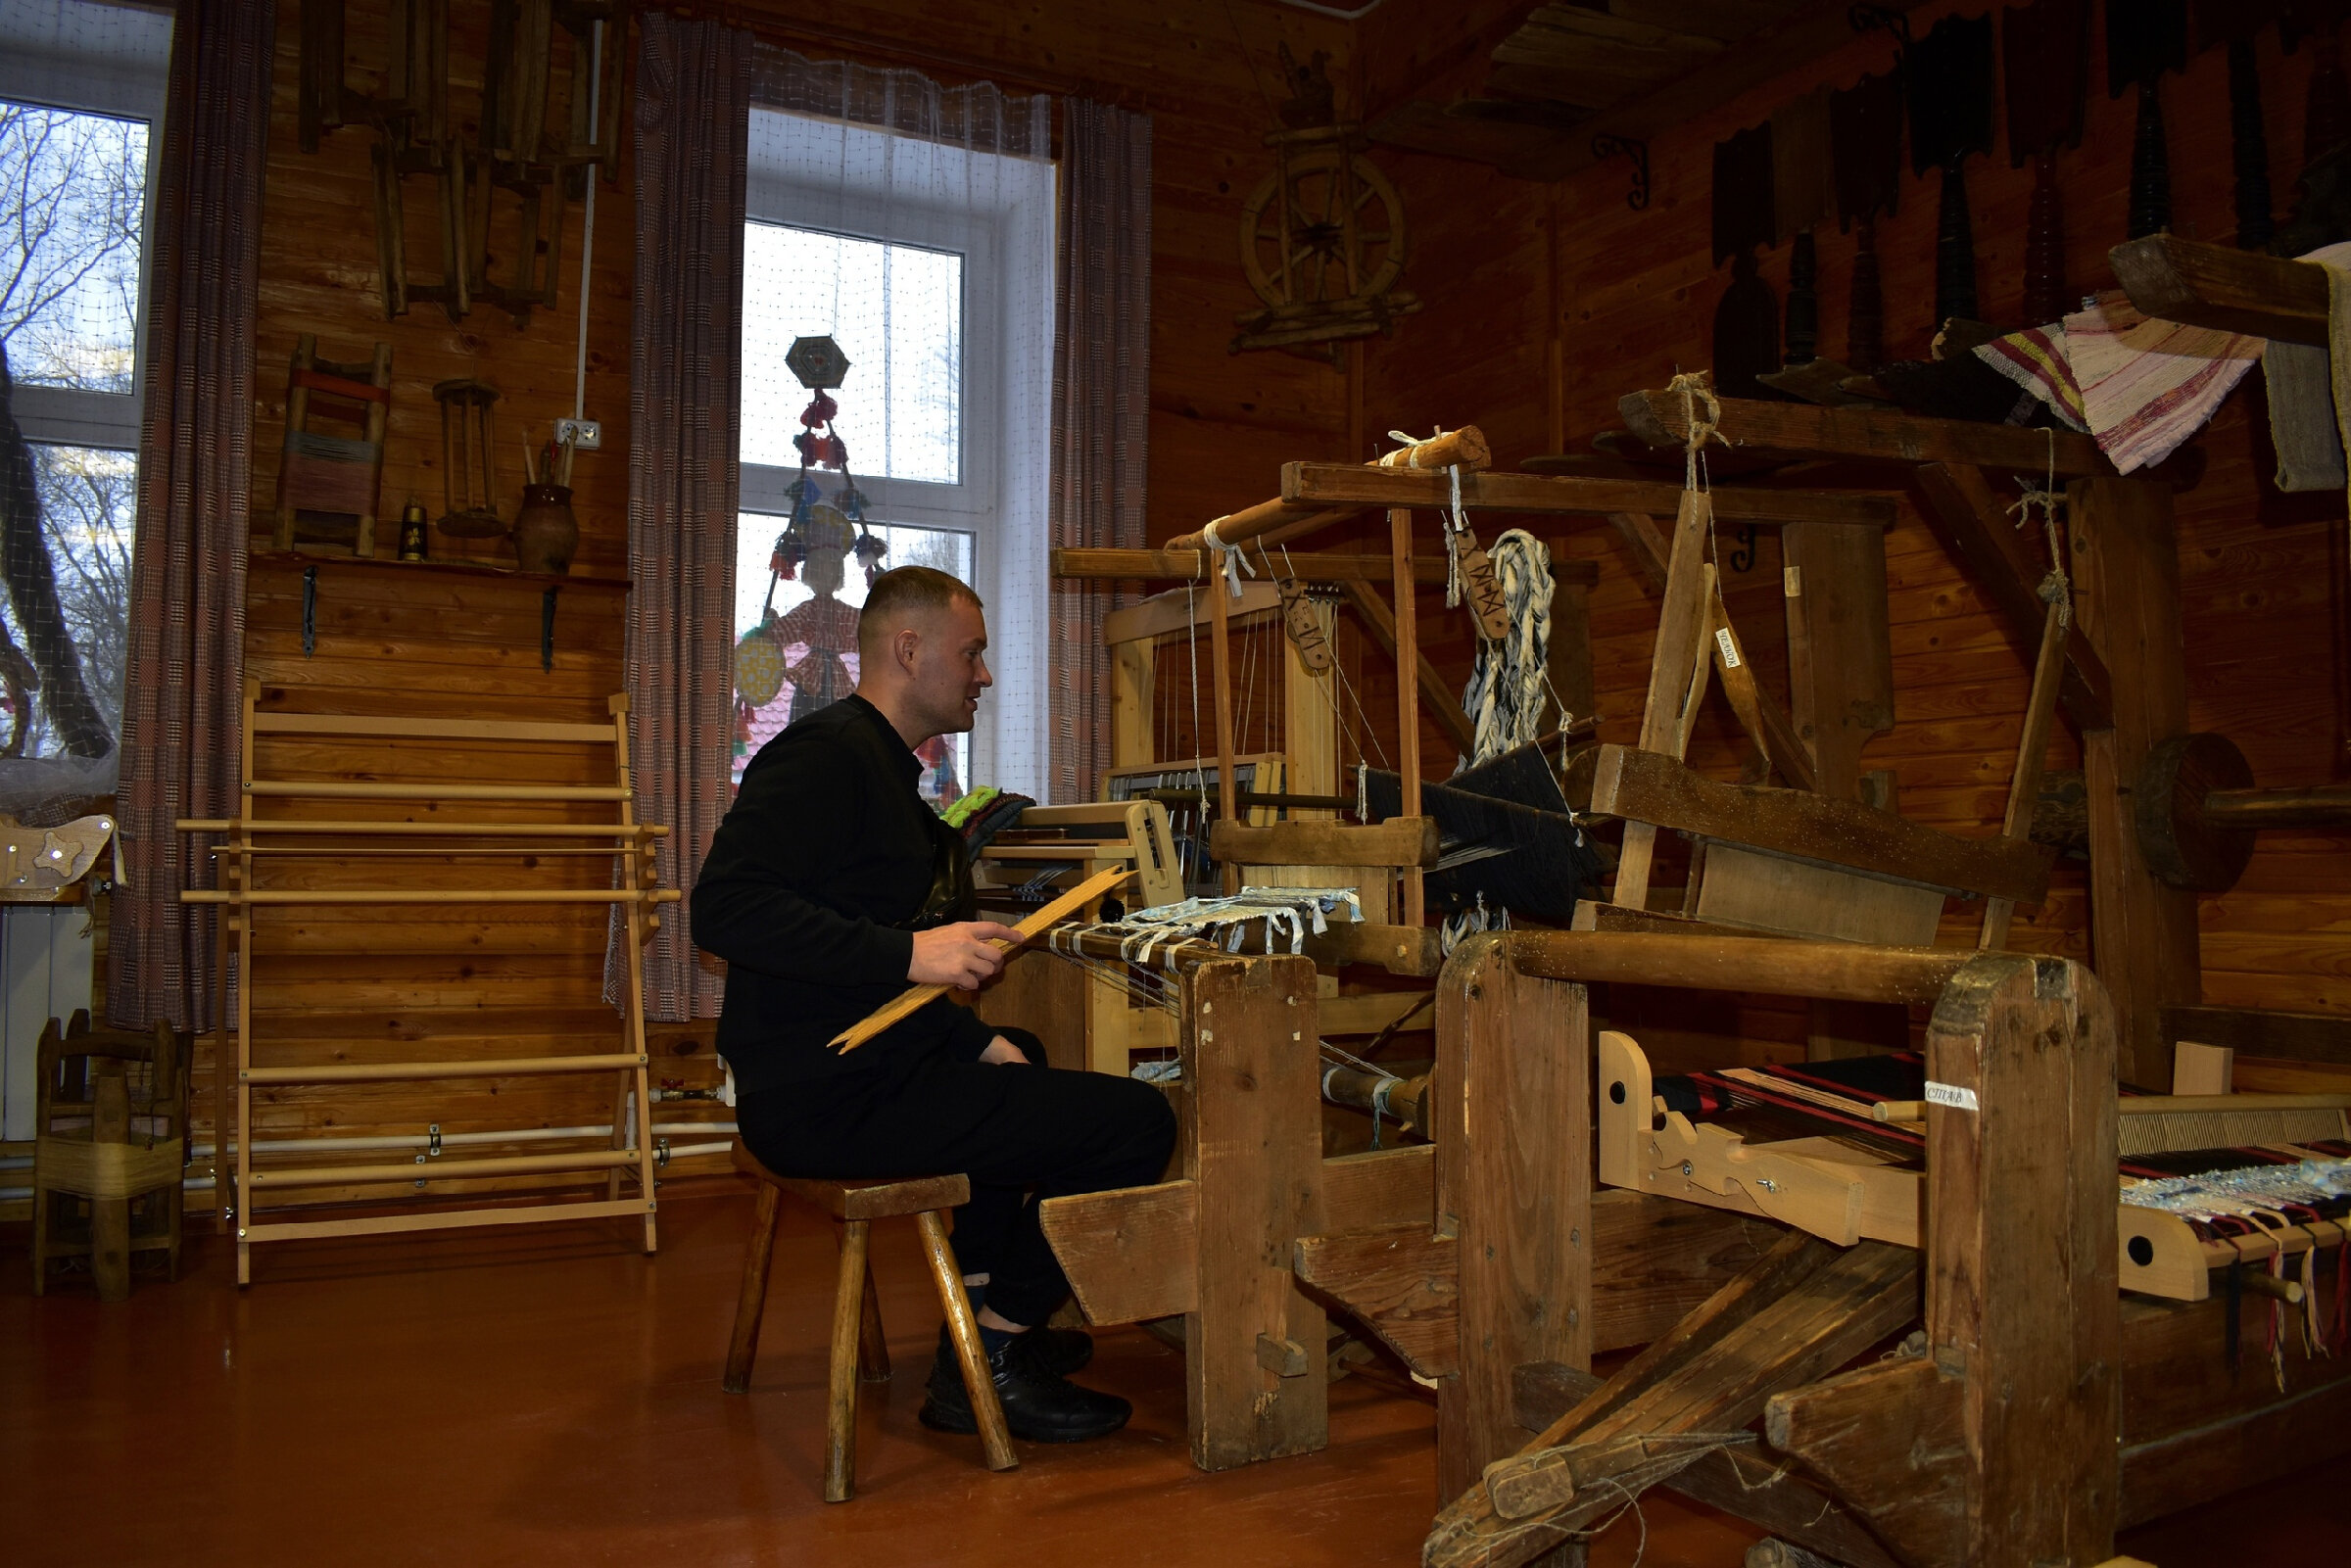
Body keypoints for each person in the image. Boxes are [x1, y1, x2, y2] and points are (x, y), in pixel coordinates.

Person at [693, 564, 1176, 1445]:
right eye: (973, 654)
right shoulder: (823, 758)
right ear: (909, 651)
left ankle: (981, 1309)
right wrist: (915, 953)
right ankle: (989, 1355)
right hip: (823, 1096)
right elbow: (726, 908)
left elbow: (855, 942)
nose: (984, 675)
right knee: (1136, 1121)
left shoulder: (875, 768)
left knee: (1013, 1044)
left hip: (842, 1069)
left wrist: (964, 1030)